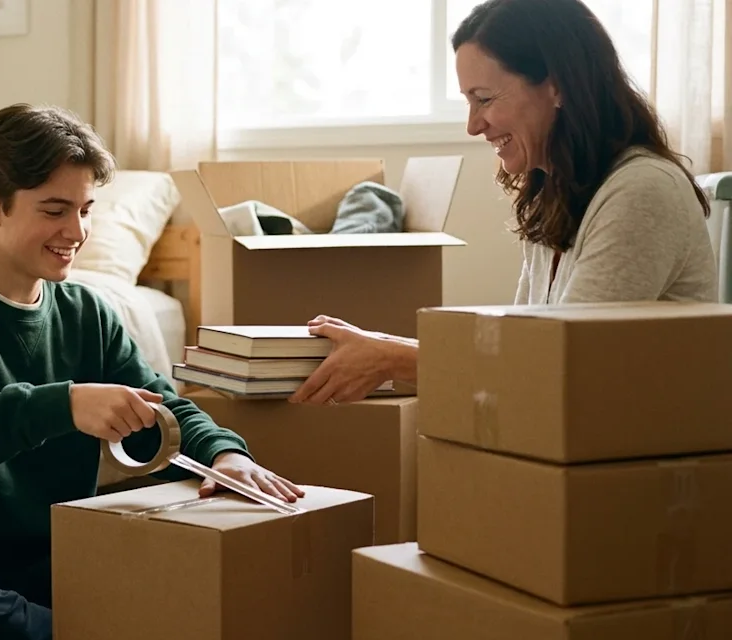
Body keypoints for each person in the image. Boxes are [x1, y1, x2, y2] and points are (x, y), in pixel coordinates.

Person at [0, 103, 303, 640]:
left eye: (85, 211)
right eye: (55, 210)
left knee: (180, 588)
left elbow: (163, 409)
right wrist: (64, 405)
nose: (77, 232)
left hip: (52, 563)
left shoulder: (88, 313)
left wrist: (225, 455)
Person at [291, 0, 718, 407]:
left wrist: (391, 358)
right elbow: (522, 353)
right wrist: (384, 347)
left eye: (484, 99)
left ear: (557, 86)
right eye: (468, 102)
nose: (473, 125)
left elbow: (560, 366)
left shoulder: (642, 192)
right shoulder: (554, 194)